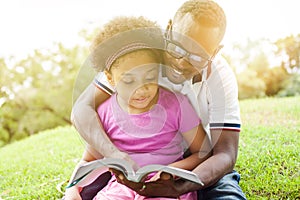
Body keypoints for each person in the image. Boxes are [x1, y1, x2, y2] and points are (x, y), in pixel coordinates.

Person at [71, 0, 246, 199]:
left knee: (226, 195)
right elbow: (82, 109)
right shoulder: (140, 55)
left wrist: (181, 185)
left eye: (197, 57)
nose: (181, 62)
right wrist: (113, 155)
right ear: (170, 29)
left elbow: (225, 154)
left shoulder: (220, 79)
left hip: (196, 163)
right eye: (178, 48)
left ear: (214, 52)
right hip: (128, 162)